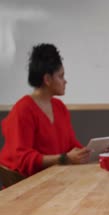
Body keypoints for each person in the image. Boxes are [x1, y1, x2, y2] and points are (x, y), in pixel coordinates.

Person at [0, 44, 90, 188]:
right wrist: (64, 158)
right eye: (61, 76)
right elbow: (23, 159)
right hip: (24, 187)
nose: (65, 81)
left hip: (52, 181)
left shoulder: (59, 107)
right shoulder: (23, 109)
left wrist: (92, 151)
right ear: (47, 79)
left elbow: (71, 145)